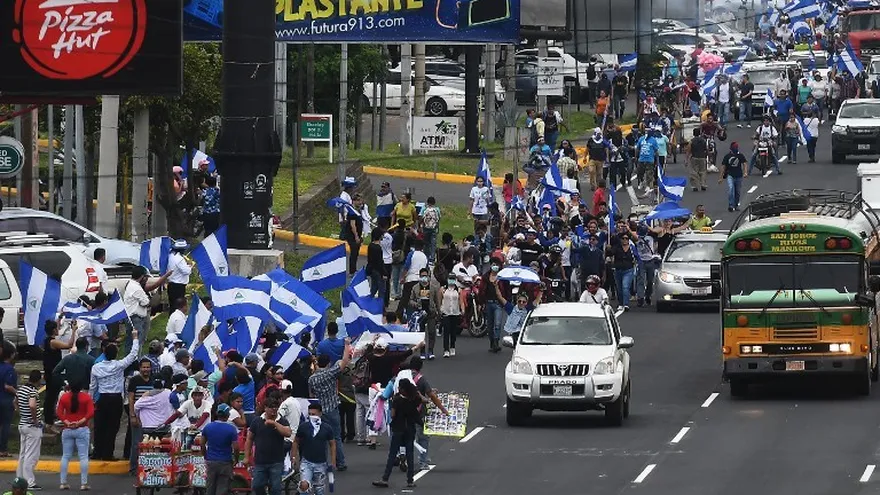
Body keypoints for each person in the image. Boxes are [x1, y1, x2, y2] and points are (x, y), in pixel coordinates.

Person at [89, 328, 139, 461]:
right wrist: (135, 338)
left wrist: (92, 400)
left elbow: (93, 386)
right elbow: (133, 354)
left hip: (102, 398)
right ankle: (107, 453)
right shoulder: (118, 365)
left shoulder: (96, 367)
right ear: (116, 354)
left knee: (100, 426)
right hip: (116, 399)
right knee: (112, 427)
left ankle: (97, 452)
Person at [308, 338, 352, 471]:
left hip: (319, 411)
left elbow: (311, 396)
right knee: (336, 437)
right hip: (332, 408)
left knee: (321, 438)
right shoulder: (330, 374)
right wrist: (346, 345)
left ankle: (322, 462)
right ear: (327, 364)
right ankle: (340, 462)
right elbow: (344, 362)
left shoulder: (312, 379)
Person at [372, 378, 422, 489]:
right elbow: (422, 401)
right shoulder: (413, 399)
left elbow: (393, 414)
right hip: (410, 429)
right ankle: (410, 480)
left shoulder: (397, 399)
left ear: (402, 389)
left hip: (398, 428)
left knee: (392, 454)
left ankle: (385, 478)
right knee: (410, 454)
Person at [246, 398, 293, 495]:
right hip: (260, 461)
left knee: (276, 489)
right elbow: (249, 438)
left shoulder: (282, 421)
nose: (274, 409)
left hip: (276, 461)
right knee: (256, 486)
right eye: (271, 407)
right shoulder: (257, 421)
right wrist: (247, 456)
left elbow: (288, 433)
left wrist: (275, 424)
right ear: (265, 408)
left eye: (276, 407)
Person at [56, 383, 94, 491]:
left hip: (67, 429)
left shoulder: (64, 397)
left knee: (66, 456)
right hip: (82, 429)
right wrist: (81, 421)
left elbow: (58, 412)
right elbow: (91, 412)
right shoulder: (86, 397)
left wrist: (67, 422)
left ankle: (63, 482)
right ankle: (84, 483)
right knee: (83, 456)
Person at [123, 266, 169, 354]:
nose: (147, 279)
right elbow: (146, 303)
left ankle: (129, 362)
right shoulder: (136, 288)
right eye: (146, 277)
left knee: (130, 343)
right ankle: (136, 362)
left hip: (132, 317)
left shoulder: (132, 284)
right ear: (142, 277)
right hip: (136, 318)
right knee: (137, 343)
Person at [293, 402, 336, 495]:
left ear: (320, 414)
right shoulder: (303, 427)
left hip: (321, 464)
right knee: (304, 486)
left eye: (314, 414)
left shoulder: (327, 428)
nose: (312, 416)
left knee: (319, 490)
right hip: (306, 462)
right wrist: (294, 457)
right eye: (310, 414)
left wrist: (333, 461)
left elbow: (332, 444)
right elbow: (296, 441)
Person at [202, 403, 239, 495]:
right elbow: (236, 448)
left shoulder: (208, 427)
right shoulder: (231, 429)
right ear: (228, 415)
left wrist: (206, 456)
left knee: (210, 487)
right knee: (222, 488)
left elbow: (202, 444)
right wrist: (236, 460)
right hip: (225, 462)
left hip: (211, 461)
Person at [43, 319, 74, 427]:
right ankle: (48, 422)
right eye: (57, 328)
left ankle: (50, 418)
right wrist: (74, 331)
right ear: (53, 330)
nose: (58, 329)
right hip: (53, 373)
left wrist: (59, 318)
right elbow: (69, 345)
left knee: (52, 396)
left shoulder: (47, 340)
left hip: (50, 372)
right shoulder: (53, 342)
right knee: (51, 397)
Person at [15, 370, 42, 491]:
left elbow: (14, 402)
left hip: (22, 424)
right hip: (32, 427)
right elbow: (32, 405)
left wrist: (21, 413)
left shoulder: (21, 389)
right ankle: (29, 482)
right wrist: (34, 419)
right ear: (38, 380)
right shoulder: (33, 391)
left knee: (23, 454)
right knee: (31, 455)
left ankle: (19, 479)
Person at [127, 358, 154, 475]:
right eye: (144, 367)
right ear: (140, 368)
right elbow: (131, 399)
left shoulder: (154, 380)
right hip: (137, 417)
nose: (146, 369)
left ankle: (148, 467)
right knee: (136, 443)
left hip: (151, 418)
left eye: (148, 367)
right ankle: (133, 468)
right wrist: (132, 415)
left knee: (150, 443)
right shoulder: (134, 380)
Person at [408, 268, 440, 359]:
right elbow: (410, 300)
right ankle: (422, 351)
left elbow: (437, 301)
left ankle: (430, 351)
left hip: (431, 312)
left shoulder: (433, 287)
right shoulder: (415, 288)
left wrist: (439, 312)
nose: (424, 278)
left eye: (425, 276)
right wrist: (415, 304)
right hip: (420, 313)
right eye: (422, 276)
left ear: (429, 276)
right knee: (421, 333)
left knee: (431, 332)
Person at [610, 230, 637, 311]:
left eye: (627, 238)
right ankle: (621, 303)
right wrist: (608, 248)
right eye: (623, 238)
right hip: (618, 270)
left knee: (625, 286)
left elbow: (637, 256)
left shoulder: (632, 248)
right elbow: (611, 253)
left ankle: (626, 304)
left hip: (628, 270)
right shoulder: (617, 247)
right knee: (619, 288)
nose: (625, 240)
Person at [719, 142, 749, 212]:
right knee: (731, 189)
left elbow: (744, 163)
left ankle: (736, 205)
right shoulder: (727, 156)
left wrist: (745, 172)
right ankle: (730, 205)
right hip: (730, 175)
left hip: (739, 176)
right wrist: (720, 177)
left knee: (737, 192)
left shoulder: (740, 155)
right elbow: (723, 166)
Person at [439, 275, 462, 358]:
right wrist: (439, 310)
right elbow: (439, 299)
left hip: (455, 312)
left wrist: (462, 310)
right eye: (450, 279)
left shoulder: (458, 290)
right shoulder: (443, 289)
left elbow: (461, 300)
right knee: (446, 331)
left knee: (453, 331)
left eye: (453, 279)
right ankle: (446, 350)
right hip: (446, 312)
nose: (451, 281)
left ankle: (452, 346)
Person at [167, 239, 192, 313]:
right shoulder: (179, 259)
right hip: (178, 286)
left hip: (171, 285)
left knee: (173, 307)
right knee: (178, 308)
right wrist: (190, 266)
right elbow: (187, 271)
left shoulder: (171, 255)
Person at [345, 193, 365, 275]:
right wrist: (356, 236)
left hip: (358, 235)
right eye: (358, 200)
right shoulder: (352, 212)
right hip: (352, 236)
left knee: (356, 253)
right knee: (353, 253)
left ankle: (354, 269)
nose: (360, 202)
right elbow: (352, 225)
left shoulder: (357, 210)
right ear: (354, 201)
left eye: (361, 200)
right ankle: (352, 271)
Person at [421, 196, 441, 263]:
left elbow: (421, 217)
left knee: (426, 243)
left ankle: (426, 256)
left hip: (426, 228)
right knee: (433, 243)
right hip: (433, 228)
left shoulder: (424, 208)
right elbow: (438, 219)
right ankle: (432, 258)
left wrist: (421, 226)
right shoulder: (437, 209)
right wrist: (438, 228)